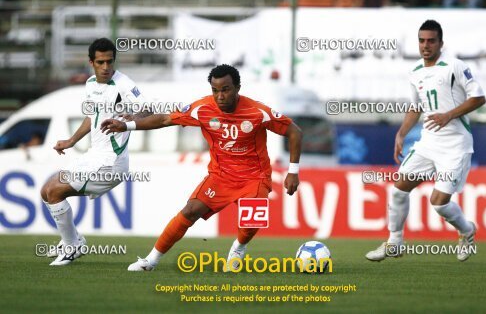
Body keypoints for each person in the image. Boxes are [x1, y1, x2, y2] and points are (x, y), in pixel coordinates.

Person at [100, 64, 303, 272]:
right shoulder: (202, 109)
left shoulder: (258, 112)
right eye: (215, 90)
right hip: (220, 177)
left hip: (254, 178)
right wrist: (127, 125)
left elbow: (295, 132)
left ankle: (238, 248)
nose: (220, 96)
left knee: (250, 223)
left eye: (225, 89)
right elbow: (165, 119)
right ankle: (150, 261)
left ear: (237, 88)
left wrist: (293, 171)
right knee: (190, 211)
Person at [365, 20, 485, 262]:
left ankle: (467, 231)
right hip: (428, 143)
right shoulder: (415, 72)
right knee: (399, 189)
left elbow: (479, 98)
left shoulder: (455, 66)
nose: (425, 45)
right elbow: (416, 107)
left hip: (455, 146)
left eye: (431, 41)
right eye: (421, 41)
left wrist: (448, 115)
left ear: (441, 43)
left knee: (439, 204)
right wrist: (401, 133)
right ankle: (394, 242)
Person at [40, 38, 151, 266]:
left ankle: (73, 246)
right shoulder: (91, 83)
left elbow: (147, 109)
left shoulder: (123, 84)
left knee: (54, 191)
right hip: (93, 156)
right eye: (100, 62)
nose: (106, 67)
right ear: (91, 62)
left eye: (109, 61)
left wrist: (134, 118)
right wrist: (71, 141)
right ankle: (70, 240)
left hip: (112, 162)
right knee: (46, 191)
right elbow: (92, 117)